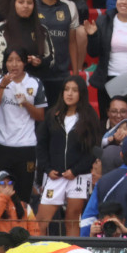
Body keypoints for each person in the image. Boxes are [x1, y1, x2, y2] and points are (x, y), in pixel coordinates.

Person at [36, 75, 101, 236]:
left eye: (74, 90)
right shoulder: (53, 115)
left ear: (81, 94)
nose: (69, 94)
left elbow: (93, 149)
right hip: (55, 176)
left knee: (72, 219)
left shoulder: (89, 116)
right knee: (40, 222)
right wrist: (47, 168)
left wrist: (76, 170)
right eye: (66, 89)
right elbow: (41, 144)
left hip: (78, 176)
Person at [0, 47, 47, 204]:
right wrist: (2, 86)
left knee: (22, 196)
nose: (14, 64)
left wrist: (26, 103)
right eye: (10, 60)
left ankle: (21, 228)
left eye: (18, 60)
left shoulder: (35, 83)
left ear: (25, 62)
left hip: (25, 146)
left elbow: (40, 116)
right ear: (4, 62)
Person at [80, 134, 127, 237]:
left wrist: (88, 245)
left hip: (101, 249)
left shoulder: (102, 181)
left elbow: (87, 221)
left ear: (121, 155)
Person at [0, 0, 54, 93]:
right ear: (14, 4)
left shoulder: (42, 30)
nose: (25, 6)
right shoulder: (2, 28)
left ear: (34, 6)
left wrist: (39, 61)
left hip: (35, 84)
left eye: (29, 3)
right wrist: (13, 63)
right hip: (8, 85)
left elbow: (51, 59)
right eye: (21, 2)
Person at [37, 0, 82, 106]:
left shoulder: (70, 6)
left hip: (61, 74)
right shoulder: (32, 4)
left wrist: (76, 74)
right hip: (37, 74)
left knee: (58, 117)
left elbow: (72, 42)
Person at [0, 170, 41, 235]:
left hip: (21, 246)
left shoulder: (25, 206)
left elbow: (34, 231)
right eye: (2, 183)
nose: (7, 186)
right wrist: (3, 197)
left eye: (10, 183)